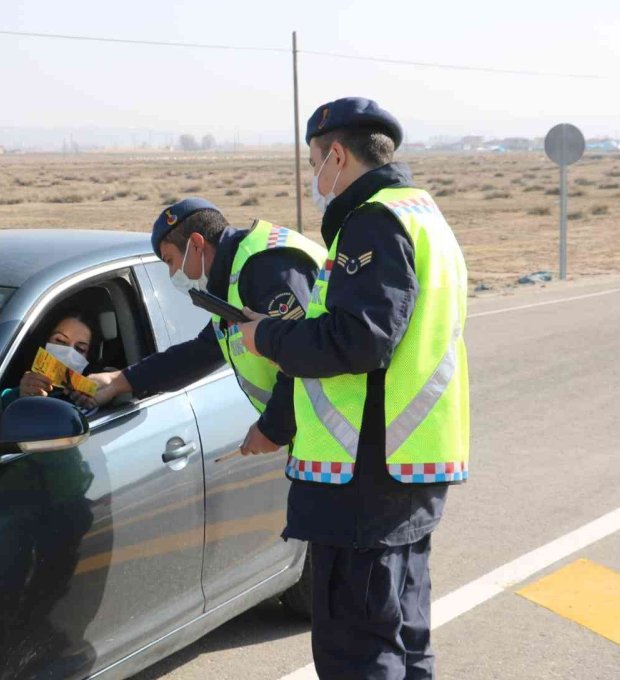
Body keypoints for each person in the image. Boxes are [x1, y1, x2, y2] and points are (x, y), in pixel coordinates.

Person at [238, 98, 470, 680]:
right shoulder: (423, 213)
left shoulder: (373, 221)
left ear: (336, 155)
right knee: (403, 636)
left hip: (362, 476)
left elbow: (360, 339)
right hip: (406, 464)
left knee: (359, 653)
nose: (314, 177)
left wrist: (268, 337)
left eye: (314, 161)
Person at [87, 198, 325, 455]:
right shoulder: (231, 282)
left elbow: (303, 356)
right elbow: (200, 352)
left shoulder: (264, 268)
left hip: (342, 435)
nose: (172, 273)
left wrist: (272, 429)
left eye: (170, 261)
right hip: (319, 436)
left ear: (197, 245)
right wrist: (120, 381)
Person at [1, 311, 100, 410]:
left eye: (80, 348)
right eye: (60, 340)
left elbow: (112, 382)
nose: (68, 353)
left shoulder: (90, 395)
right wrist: (18, 395)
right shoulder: (20, 382)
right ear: (45, 341)